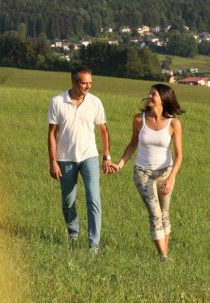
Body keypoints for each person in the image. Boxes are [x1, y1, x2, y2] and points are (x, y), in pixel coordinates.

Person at [109, 83, 184, 261]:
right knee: (155, 214)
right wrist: (120, 164)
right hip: (143, 173)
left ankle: (165, 254)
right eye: (150, 94)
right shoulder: (138, 120)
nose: (149, 97)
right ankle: (164, 257)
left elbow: (179, 155)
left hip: (165, 172)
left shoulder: (174, 123)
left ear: (163, 99)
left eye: (153, 95)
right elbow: (132, 144)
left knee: (165, 213)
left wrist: (171, 178)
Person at [47, 66, 113, 253]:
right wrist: (53, 162)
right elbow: (52, 134)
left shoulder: (95, 102)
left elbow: (103, 130)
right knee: (68, 201)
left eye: (90, 83)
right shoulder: (57, 102)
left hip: (89, 156)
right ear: (74, 82)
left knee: (94, 199)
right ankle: (73, 233)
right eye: (84, 83)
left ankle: (94, 244)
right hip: (65, 159)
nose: (88, 86)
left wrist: (106, 156)